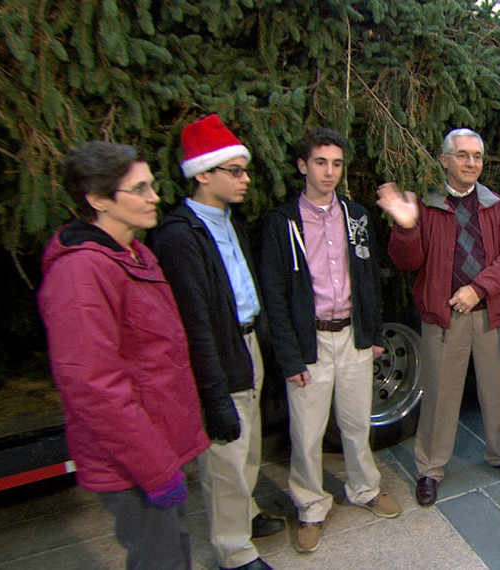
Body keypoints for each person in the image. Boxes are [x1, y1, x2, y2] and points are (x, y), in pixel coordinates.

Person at [37, 141, 210, 570]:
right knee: (159, 560)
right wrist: (155, 470)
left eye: (152, 185)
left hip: (159, 448)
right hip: (134, 464)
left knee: (176, 549)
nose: (155, 197)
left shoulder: (134, 253)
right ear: (98, 200)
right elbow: (94, 387)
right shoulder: (80, 273)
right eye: (140, 189)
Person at [148, 115, 283, 570]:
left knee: (249, 445)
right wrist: (212, 392)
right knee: (225, 452)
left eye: (245, 170)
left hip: (248, 345)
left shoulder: (229, 221)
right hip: (219, 353)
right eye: (235, 171)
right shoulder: (180, 236)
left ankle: (245, 513)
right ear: (203, 174)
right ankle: (234, 551)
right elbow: (195, 323)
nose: (246, 179)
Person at [259, 127, 401, 554]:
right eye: (320, 162)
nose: (329, 172)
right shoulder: (282, 223)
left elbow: (369, 278)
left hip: (353, 339)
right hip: (310, 344)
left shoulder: (355, 216)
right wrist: (289, 357)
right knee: (306, 432)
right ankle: (310, 507)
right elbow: (275, 295)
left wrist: (374, 334)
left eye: (336, 164)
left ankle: (365, 488)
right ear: (303, 165)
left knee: (357, 423)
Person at [377, 128, 500, 508]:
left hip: (489, 313)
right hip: (444, 320)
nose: (470, 163)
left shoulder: (497, 206)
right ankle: (430, 469)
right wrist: (407, 225)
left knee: (495, 390)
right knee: (440, 396)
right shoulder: (426, 206)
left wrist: (478, 288)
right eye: (461, 155)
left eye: (476, 156)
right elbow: (405, 262)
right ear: (444, 160)